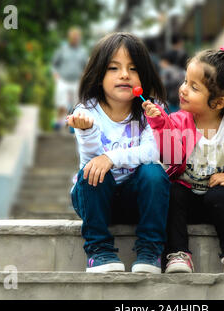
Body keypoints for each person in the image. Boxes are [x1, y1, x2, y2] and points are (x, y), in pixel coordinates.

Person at [141, 44, 224, 274]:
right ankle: (177, 254)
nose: (183, 90)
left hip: (220, 205)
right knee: (173, 192)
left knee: (221, 194)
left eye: (194, 87)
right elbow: (168, 156)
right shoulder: (179, 122)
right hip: (187, 202)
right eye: (185, 82)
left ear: (219, 102)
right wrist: (160, 124)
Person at [67, 32, 170, 274]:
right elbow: (90, 162)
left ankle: (150, 251)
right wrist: (88, 131)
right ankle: (99, 251)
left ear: (143, 76)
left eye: (133, 69)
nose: (124, 74)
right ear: (99, 74)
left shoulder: (152, 110)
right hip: (96, 199)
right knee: (91, 171)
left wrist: (111, 158)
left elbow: (152, 151)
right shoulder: (87, 110)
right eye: (114, 68)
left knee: (154, 172)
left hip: (139, 200)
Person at [52, 26, 88, 131]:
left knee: (75, 105)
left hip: (76, 81)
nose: (75, 39)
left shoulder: (82, 51)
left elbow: (85, 67)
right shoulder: (62, 49)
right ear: (70, 38)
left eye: (77, 37)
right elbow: (54, 64)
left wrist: (83, 78)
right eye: (73, 37)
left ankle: (73, 126)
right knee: (61, 104)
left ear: (79, 38)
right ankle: (59, 122)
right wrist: (55, 75)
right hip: (63, 80)